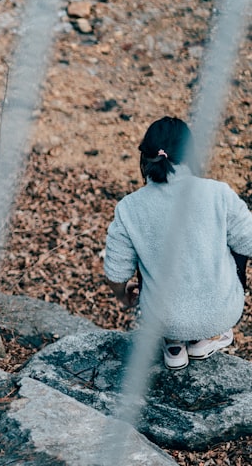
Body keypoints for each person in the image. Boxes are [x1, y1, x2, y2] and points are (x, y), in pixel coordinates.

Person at [104, 116, 252, 369]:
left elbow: (116, 271)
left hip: (162, 319)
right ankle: (210, 337)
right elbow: (248, 243)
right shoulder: (218, 193)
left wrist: (122, 297)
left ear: (145, 156)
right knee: (233, 243)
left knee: (148, 250)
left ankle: (174, 346)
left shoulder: (129, 207)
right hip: (222, 312)